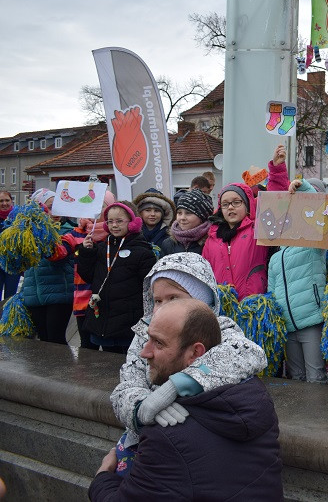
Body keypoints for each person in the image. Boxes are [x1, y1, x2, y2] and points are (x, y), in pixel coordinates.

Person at [89, 299, 282, 500]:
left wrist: (102, 478)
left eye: (158, 343)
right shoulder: (256, 399)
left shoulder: (166, 436)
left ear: (195, 353)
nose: (144, 352)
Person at [111, 252, 268, 456]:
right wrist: (141, 407)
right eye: (157, 300)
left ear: (200, 300)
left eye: (173, 298)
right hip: (144, 441)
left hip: (198, 442)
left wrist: (178, 384)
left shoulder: (219, 329)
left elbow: (249, 354)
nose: (162, 307)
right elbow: (126, 384)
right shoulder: (145, 334)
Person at [269, 178, 328, 384]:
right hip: (287, 326)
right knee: (296, 377)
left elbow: (320, 212)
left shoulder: (313, 244)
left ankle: (320, 416)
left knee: (316, 376)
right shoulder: (275, 257)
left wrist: (304, 190)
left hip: (311, 321)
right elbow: (272, 291)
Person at [77, 202, 157, 353]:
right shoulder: (101, 248)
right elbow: (88, 276)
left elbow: (149, 288)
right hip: (103, 321)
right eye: (110, 221)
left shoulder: (143, 251)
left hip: (128, 322)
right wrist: (86, 253)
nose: (114, 225)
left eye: (119, 221)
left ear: (133, 223)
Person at [22, 189, 76, 344]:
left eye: (58, 206)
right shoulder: (27, 232)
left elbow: (59, 259)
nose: (55, 212)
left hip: (58, 294)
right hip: (34, 295)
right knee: (43, 340)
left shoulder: (68, 231)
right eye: (50, 207)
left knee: (55, 340)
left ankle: (62, 369)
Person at [202, 183, 268, 300]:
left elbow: (276, 203)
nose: (230, 207)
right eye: (225, 204)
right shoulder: (212, 239)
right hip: (223, 306)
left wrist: (277, 170)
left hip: (253, 305)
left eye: (236, 202)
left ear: (247, 205)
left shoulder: (257, 230)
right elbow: (205, 275)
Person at [71, 190, 117, 350]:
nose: (97, 211)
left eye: (102, 206)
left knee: (110, 345)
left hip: (107, 299)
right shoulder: (77, 232)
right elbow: (61, 252)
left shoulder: (114, 233)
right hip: (83, 299)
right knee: (87, 346)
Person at [160, 189, 214, 256]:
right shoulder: (168, 244)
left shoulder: (211, 242)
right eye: (179, 213)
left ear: (202, 217)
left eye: (188, 213)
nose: (182, 218)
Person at [0, 190, 21, 301]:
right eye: (1, 201)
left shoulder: (18, 219)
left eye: (7, 200)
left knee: (10, 298)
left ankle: (7, 318)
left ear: (11, 201)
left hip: (13, 264)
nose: (4, 203)